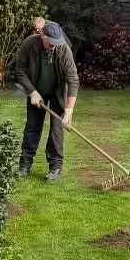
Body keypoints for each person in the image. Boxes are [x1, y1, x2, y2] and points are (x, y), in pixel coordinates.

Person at [13, 19, 79, 179]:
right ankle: (25, 165)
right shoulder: (30, 44)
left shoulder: (63, 49)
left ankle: (55, 167)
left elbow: (73, 80)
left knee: (56, 129)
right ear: (42, 35)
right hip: (36, 90)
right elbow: (20, 71)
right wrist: (32, 92)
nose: (54, 46)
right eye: (51, 43)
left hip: (57, 92)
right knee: (32, 127)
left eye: (57, 43)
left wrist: (69, 111)